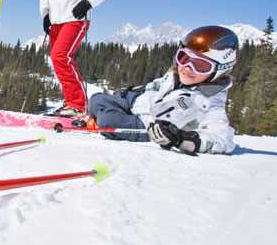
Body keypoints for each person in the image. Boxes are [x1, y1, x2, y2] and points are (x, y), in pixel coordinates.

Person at [87, 25, 239, 155]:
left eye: (200, 65)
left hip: (149, 126)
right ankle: (100, 114)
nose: (187, 68)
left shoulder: (211, 102)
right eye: (184, 58)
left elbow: (222, 138)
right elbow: (156, 85)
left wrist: (181, 139)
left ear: (220, 70)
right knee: (96, 99)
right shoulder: (174, 75)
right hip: (141, 103)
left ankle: (102, 118)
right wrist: (133, 91)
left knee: (107, 122)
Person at [40, 0, 113, 118]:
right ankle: (69, 103)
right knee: (58, 62)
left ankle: (78, 104)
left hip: (76, 18)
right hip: (55, 21)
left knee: (60, 57)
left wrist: (88, 2)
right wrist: (45, 14)